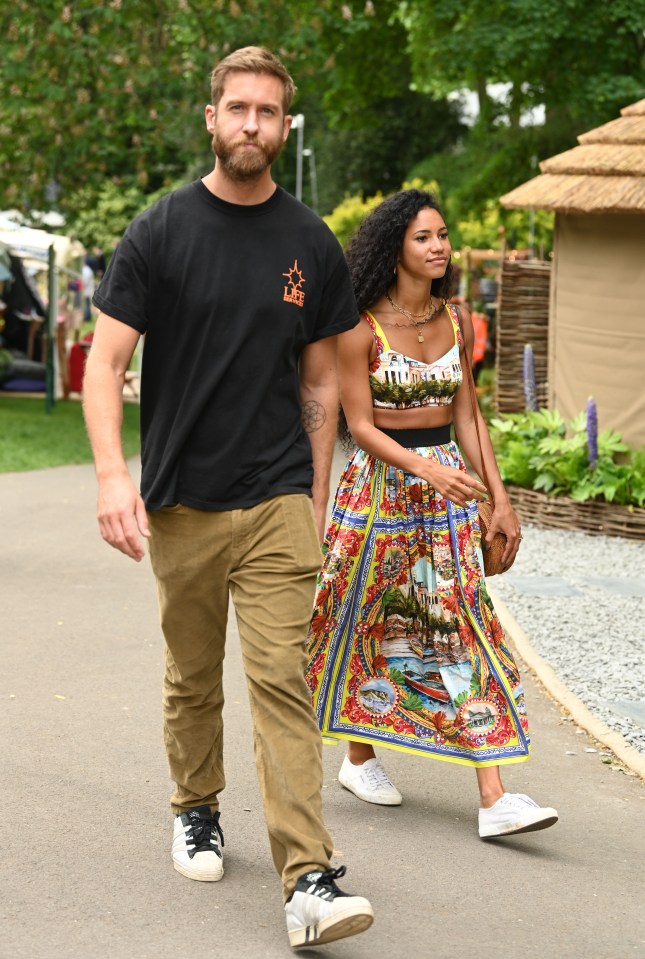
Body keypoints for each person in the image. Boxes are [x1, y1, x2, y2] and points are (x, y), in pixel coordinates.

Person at [82, 46, 373, 949]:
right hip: (182, 500)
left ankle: (309, 876)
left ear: (286, 126)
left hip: (279, 492)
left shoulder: (309, 241)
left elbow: (320, 380)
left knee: (282, 679)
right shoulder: (161, 230)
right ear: (211, 118)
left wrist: (315, 497)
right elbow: (105, 362)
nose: (252, 124)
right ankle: (196, 804)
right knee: (192, 674)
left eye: (268, 112)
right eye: (237, 108)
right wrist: (109, 476)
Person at [306, 189, 558, 839]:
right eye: (423, 237)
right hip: (381, 491)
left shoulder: (455, 318)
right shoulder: (360, 325)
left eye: (442, 234)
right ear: (396, 248)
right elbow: (357, 425)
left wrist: (498, 498)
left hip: (447, 497)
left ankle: (493, 792)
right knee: (370, 623)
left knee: (461, 623)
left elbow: (467, 414)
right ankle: (358, 756)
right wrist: (425, 469)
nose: (438, 246)